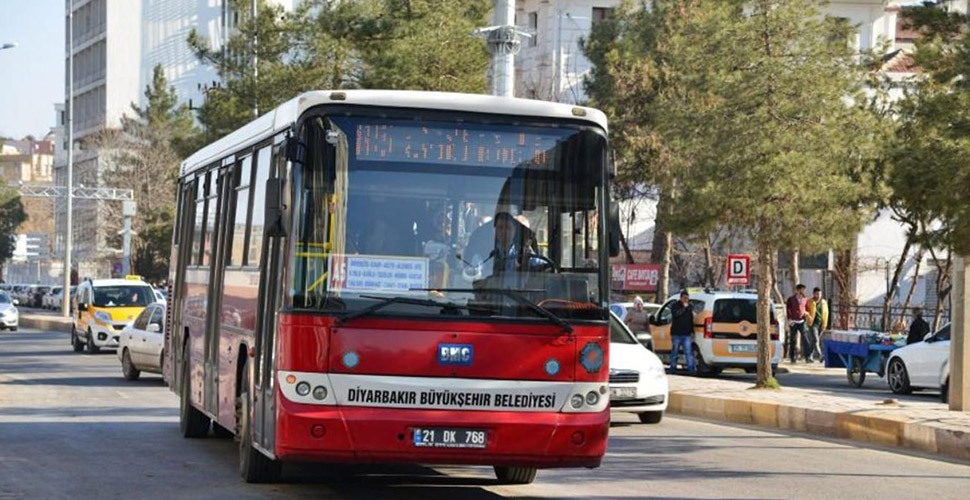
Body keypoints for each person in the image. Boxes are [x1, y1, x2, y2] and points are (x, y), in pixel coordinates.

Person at [668, 290, 696, 374]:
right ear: (681, 298)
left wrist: (692, 331)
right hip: (676, 333)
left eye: (687, 298)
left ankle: (691, 369)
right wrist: (683, 308)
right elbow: (676, 314)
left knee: (688, 352)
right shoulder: (675, 306)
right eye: (684, 298)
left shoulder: (690, 306)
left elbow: (691, 319)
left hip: (686, 333)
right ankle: (673, 368)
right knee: (675, 352)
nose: (686, 300)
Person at [786, 284, 810, 363]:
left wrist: (806, 313)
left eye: (804, 290)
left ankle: (807, 357)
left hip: (802, 321)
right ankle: (792, 357)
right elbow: (788, 309)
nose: (803, 292)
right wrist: (789, 318)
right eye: (802, 290)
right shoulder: (791, 299)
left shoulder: (805, 299)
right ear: (797, 290)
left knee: (805, 339)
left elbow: (807, 308)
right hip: (793, 321)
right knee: (793, 339)